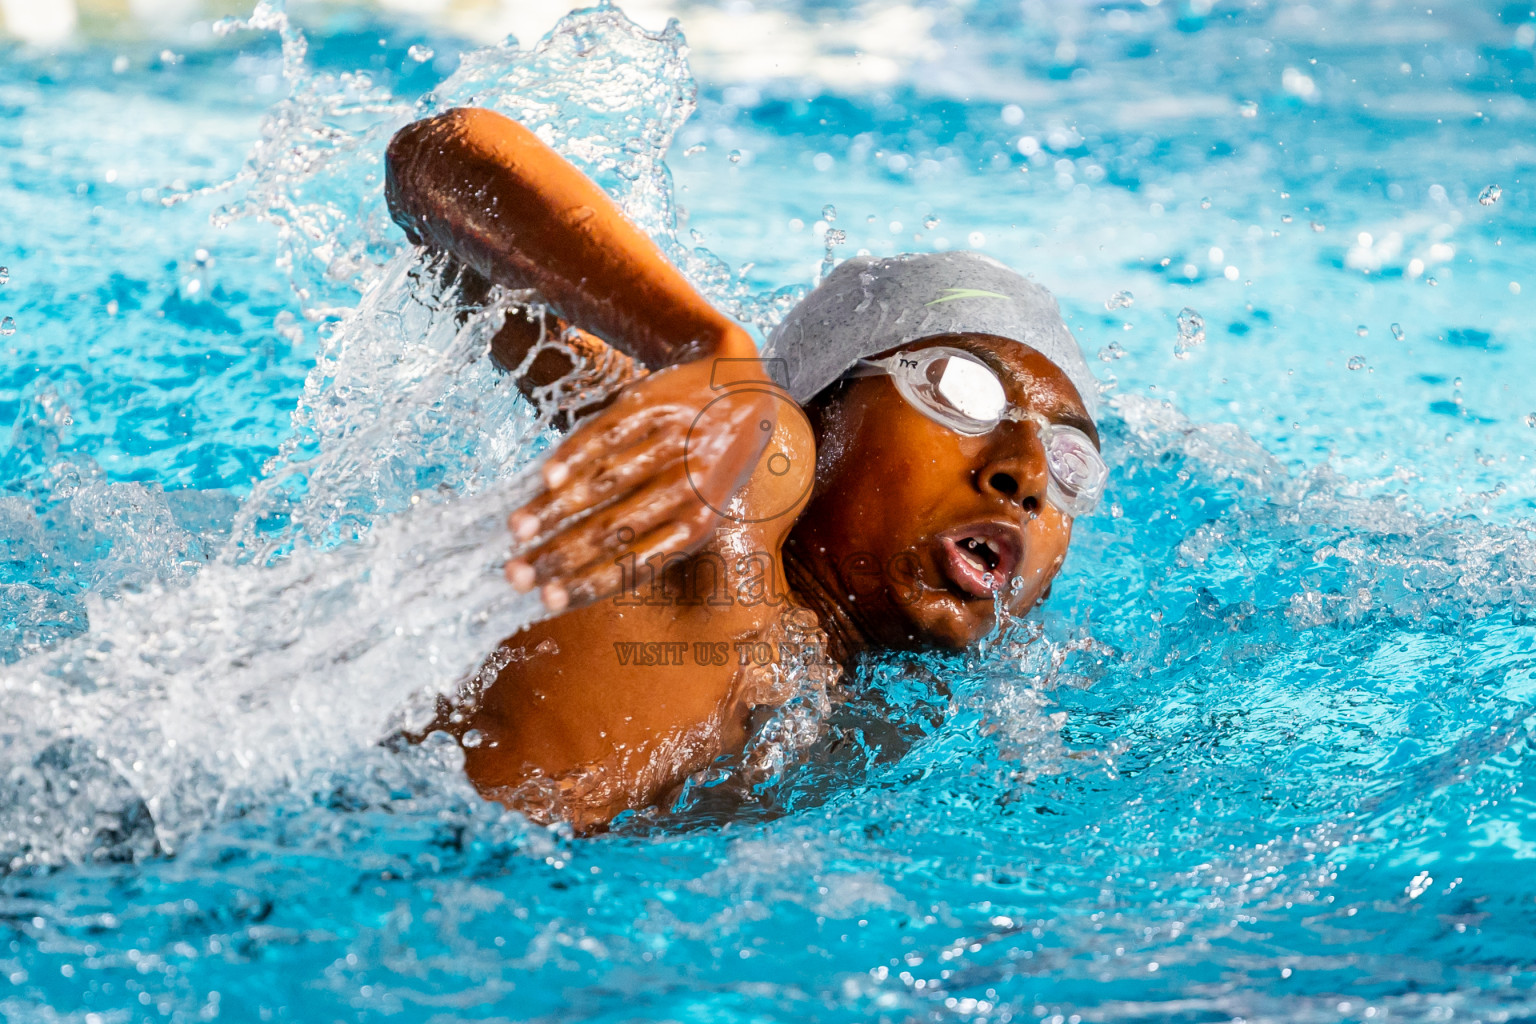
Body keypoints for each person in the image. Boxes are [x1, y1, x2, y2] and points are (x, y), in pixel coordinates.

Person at [385, 107, 1106, 831]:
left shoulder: (898, 720)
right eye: (960, 392)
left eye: (1070, 459)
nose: (1026, 474)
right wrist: (703, 351)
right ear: (821, 408)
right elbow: (436, 159)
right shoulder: (741, 483)